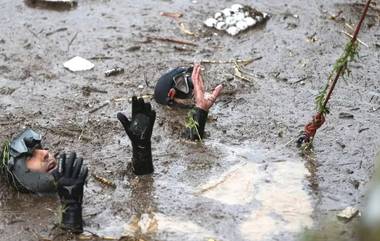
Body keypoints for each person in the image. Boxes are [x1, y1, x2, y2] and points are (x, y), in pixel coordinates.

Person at [0, 129, 88, 233]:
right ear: (19, 173)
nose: (45, 153)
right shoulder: (26, 227)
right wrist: (71, 212)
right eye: (30, 156)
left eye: (40, 148)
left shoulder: (76, 185)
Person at [154, 63, 223, 140]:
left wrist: (202, 108)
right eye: (183, 85)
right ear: (171, 94)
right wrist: (201, 110)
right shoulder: (172, 125)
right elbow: (194, 144)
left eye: (190, 79)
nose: (194, 89)